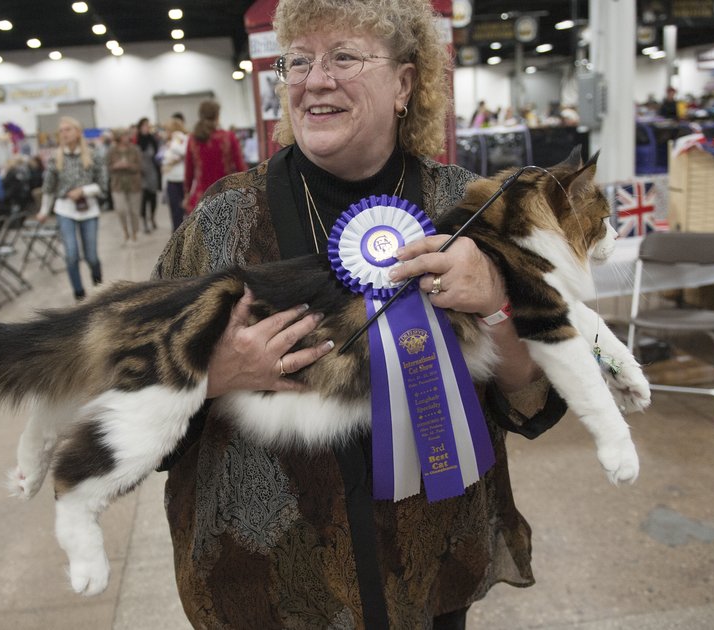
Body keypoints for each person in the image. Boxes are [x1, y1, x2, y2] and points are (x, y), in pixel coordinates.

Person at [152, 0, 564, 626]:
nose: (315, 80)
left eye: (344, 56)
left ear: (404, 83)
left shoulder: (470, 208)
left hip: (429, 566)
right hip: (270, 580)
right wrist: (213, 376)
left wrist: (498, 303)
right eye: (298, 61)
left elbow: (532, 397)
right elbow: (123, 389)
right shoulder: (224, 222)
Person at [37, 116, 107, 301]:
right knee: (71, 255)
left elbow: (103, 185)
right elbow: (48, 187)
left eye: (68, 129)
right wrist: (44, 211)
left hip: (89, 210)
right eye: (61, 130)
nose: (63, 133)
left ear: (77, 132)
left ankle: (100, 291)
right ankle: (79, 295)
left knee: (92, 257)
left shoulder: (93, 155)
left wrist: (83, 190)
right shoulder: (55, 157)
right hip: (64, 210)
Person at [182, 100, 247, 214]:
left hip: (201, 199)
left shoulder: (193, 139)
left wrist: (187, 193)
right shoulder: (228, 137)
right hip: (226, 198)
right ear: (217, 116)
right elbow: (241, 167)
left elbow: (189, 172)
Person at [107, 126, 142, 242]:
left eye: (128, 135)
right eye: (124, 135)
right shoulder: (111, 151)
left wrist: (129, 166)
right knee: (120, 209)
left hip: (134, 183)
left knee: (134, 210)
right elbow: (107, 167)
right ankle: (125, 229)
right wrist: (116, 166)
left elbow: (140, 166)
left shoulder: (135, 149)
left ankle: (135, 232)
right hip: (117, 184)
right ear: (119, 137)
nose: (127, 137)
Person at [161, 113, 190, 230]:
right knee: (176, 211)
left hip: (179, 178)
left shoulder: (179, 137)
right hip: (173, 178)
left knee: (179, 211)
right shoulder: (173, 139)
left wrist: (171, 147)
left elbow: (184, 151)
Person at [135, 117, 162, 233]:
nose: (146, 128)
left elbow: (158, 155)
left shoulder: (152, 140)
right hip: (140, 174)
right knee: (143, 199)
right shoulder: (136, 141)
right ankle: (145, 221)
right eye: (144, 125)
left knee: (153, 198)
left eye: (147, 125)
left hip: (152, 172)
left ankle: (152, 217)